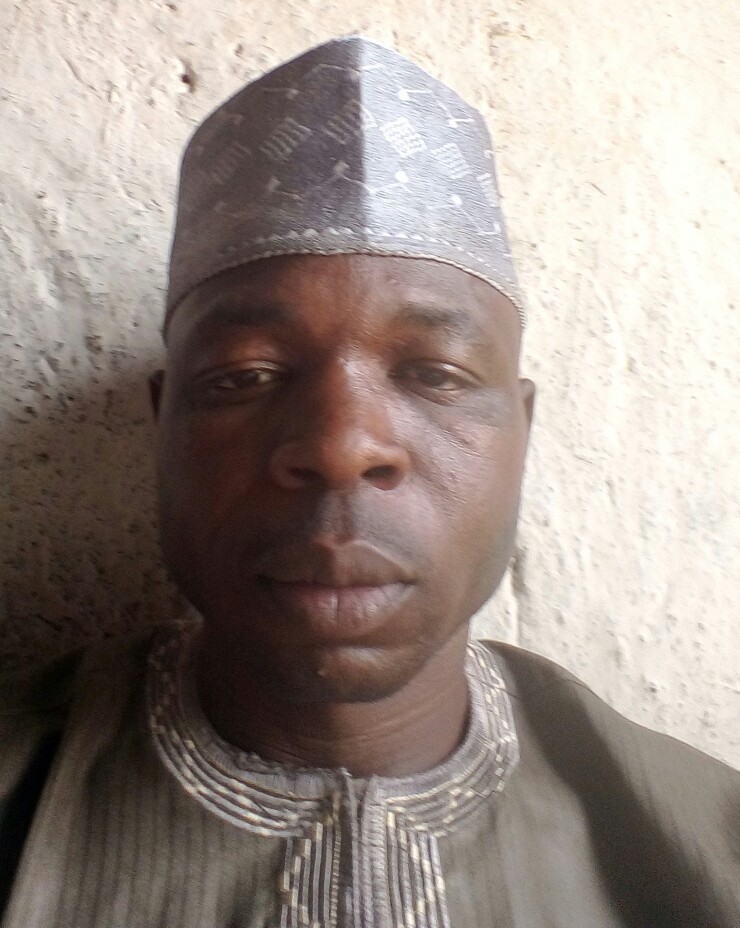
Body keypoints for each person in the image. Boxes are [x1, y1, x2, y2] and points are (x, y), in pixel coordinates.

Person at [0, 36, 738, 928]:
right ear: (164, 426)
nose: (341, 445)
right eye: (244, 375)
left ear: (523, 431)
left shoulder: (711, 844)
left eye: (434, 373)